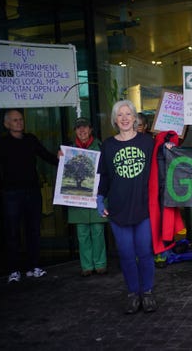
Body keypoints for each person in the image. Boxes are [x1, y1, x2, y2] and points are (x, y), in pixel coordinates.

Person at [0, 109, 58, 283]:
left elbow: (47, 156)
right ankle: (13, 270)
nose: (19, 122)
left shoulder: (31, 140)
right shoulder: (1, 144)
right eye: (15, 120)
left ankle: (33, 267)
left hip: (33, 192)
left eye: (20, 119)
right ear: (7, 124)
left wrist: (63, 158)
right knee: (12, 233)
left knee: (34, 230)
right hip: (11, 194)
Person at [97, 100, 156, 314]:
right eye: (119, 115)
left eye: (128, 114)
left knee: (145, 252)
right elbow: (103, 175)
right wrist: (100, 197)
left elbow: (161, 162)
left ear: (135, 119)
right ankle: (133, 294)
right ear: (115, 120)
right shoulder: (108, 145)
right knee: (126, 254)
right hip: (118, 210)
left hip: (143, 209)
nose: (124, 118)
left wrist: (169, 146)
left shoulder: (147, 142)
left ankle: (147, 293)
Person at [65, 117, 108, 277]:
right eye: (78, 128)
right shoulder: (68, 149)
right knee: (82, 233)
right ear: (75, 131)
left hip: (97, 196)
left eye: (85, 127)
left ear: (90, 129)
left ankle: (101, 264)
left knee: (98, 231)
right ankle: (87, 266)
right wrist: (61, 157)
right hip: (78, 199)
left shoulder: (102, 146)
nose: (82, 131)